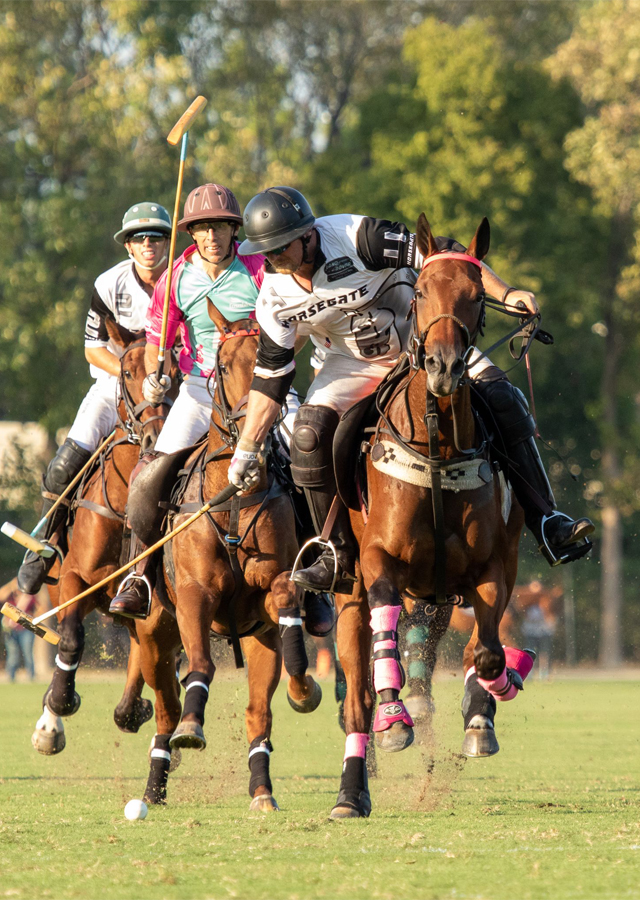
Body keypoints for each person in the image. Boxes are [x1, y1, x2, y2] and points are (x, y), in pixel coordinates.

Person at [227, 186, 594, 595]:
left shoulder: (358, 237)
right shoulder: (273, 297)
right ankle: (335, 552)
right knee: (308, 434)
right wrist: (246, 449)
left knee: (505, 397)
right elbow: (271, 377)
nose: (272, 258)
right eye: (265, 251)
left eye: (280, 247)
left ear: (308, 235)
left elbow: (450, 257)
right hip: (351, 363)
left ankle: (547, 518)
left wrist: (505, 293)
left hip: (423, 344)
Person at [108, 184, 309, 623]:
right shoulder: (175, 277)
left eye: (218, 228)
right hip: (201, 390)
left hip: (264, 386)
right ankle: (140, 574)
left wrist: (276, 368)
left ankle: (316, 571)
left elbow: (295, 319)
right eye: (201, 229)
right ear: (192, 234)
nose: (211, 238)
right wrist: (157, 376)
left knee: (305, 454)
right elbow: (157, 332)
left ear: (233, 230)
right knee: (148, 473)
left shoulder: (260, 268)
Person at [17, 203, 172, 595]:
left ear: (168, 242)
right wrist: (129, 374)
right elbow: (92, 349)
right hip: (115, 384)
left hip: (173, 386)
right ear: (128, 247)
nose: (149, 244)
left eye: (156, 236)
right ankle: (44, 544)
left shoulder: (183, 280)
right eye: (140, 238)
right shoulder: (109, 284)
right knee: (61, 466)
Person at [1, 580, 37, 681]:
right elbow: (1, 595)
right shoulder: (10, 596)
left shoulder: (28, 597)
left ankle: (31, 677)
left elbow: (39, 608)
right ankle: (11, 676)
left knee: (28, 653)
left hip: (26, 629)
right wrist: (11, 585)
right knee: (13, 654)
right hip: (11, 630)